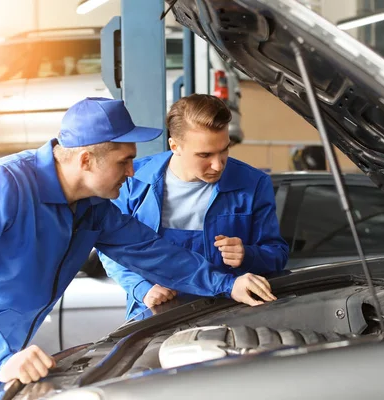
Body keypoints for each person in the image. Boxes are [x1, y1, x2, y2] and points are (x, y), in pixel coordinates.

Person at [0, 97, 276, 399]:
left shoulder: (92, 208)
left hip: (3, 360)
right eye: (124, 162)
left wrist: (228, 284)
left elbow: (153, 252)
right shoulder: (1, 186)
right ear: (87, 160)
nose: (132, 172)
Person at [99, 94, 289, 320]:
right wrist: (142, 289)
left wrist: (248, 254)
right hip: (155, 316)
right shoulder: (133, 181)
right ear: (175, 145)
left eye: (224, 150)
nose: (218, 165)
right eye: (205, 155)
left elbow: (277, 254)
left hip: (230, 313)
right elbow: (112, 249)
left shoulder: (253, 184)